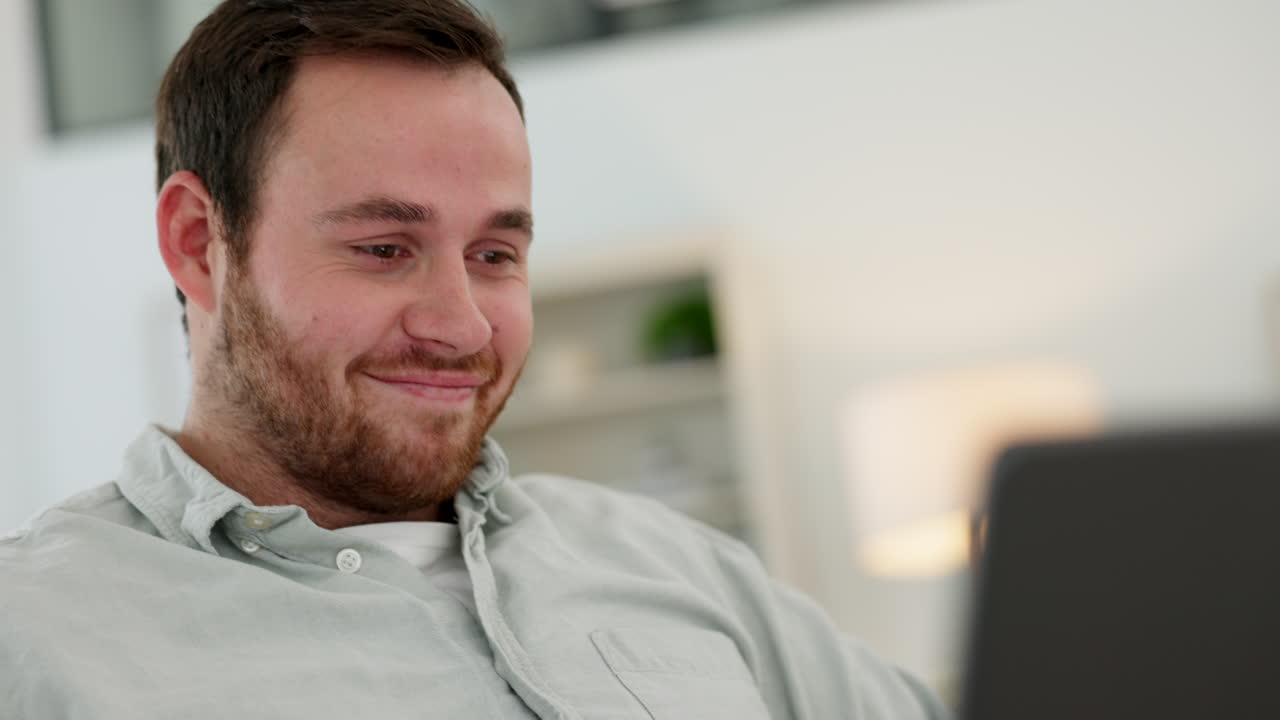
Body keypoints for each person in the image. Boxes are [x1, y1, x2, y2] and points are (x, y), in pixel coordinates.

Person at [0, 1, 948, 717]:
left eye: (495, 255)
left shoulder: (672, 562)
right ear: (200, 242)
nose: (461, 326)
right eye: (384, 249)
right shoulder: (34, 639)